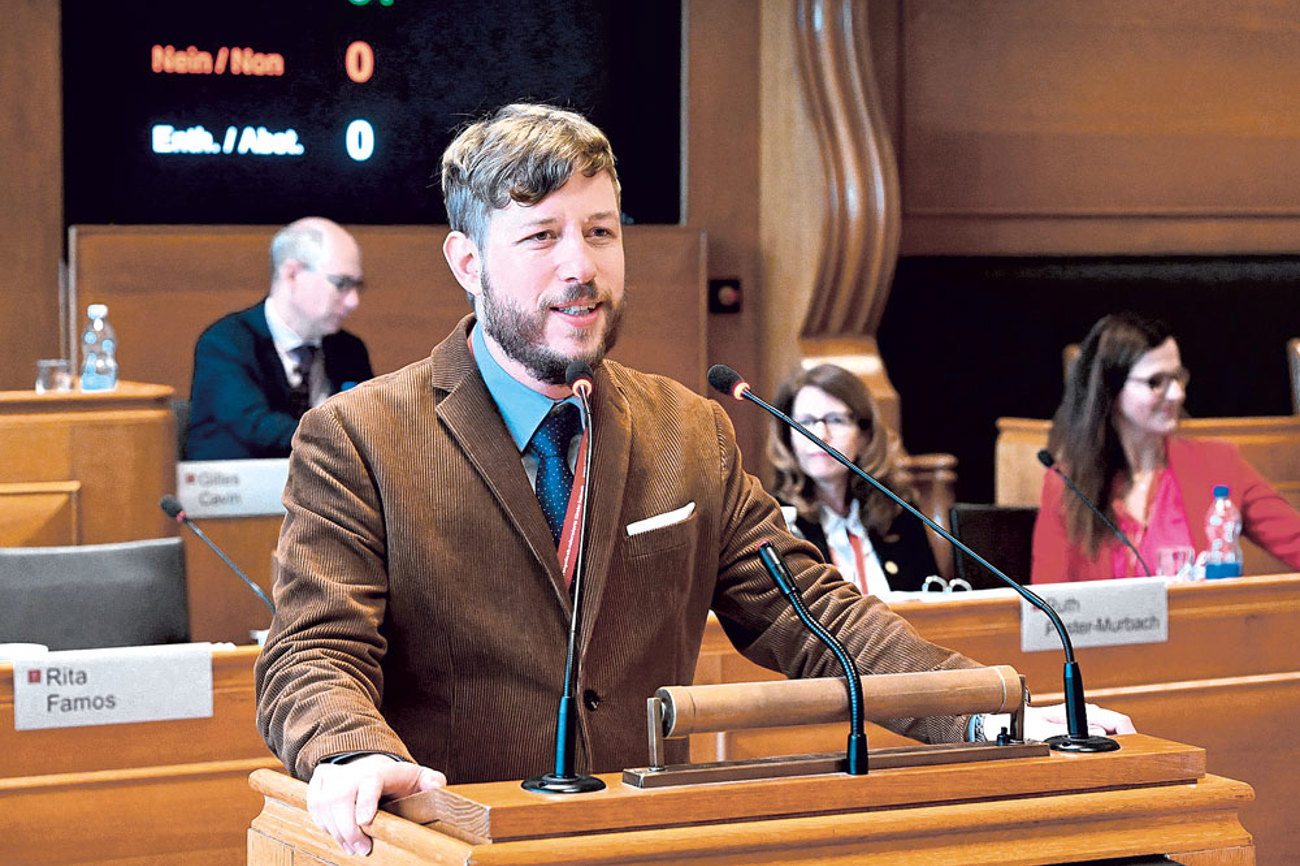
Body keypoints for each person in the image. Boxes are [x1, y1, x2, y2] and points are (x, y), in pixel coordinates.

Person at [254, 103, 1132, 856]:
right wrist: (349, 752)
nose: (580, 266)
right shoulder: (357, 437)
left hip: (647, 847)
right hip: (461, 847)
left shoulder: (689, 431)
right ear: (468, 263)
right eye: (541, 236)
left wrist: (989, 710)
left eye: (601, 231)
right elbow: (312, 652)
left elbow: (815, 614)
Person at [1032, 311, 1300, 582]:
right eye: (1156, 382)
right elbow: (1044, 604)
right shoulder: (1066, 485)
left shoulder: (1219, 463)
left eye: (1178, 377)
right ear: (1111, 391)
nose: (1177, 394)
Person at [183, 217, 373, 460]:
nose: (353, 301)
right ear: (292, 274)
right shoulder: (225, 343)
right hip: (235, 491)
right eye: (342, 284)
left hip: (323, 494)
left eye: (357, 286)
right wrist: (344, 439)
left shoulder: (349, 350)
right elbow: (258, 429)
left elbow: (368, 426)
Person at [768, 363, 940, 595]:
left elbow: (937, 604)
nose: (820, 435)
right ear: (787, 436)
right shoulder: (774, 521)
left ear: (865, 434)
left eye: (836, 420)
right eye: (805, 422)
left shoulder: (897, 512)